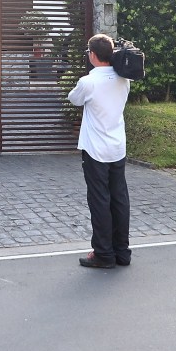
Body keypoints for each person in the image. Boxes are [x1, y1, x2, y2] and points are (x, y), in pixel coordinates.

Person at [68, 34, 132, 269]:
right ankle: (122, 252)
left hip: (96, 150)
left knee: (100, 201)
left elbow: (74, 99)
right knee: (119, 199)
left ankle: (104, 254)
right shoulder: (124, 79)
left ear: (93, 55)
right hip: (117, 147)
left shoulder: (88, 82)